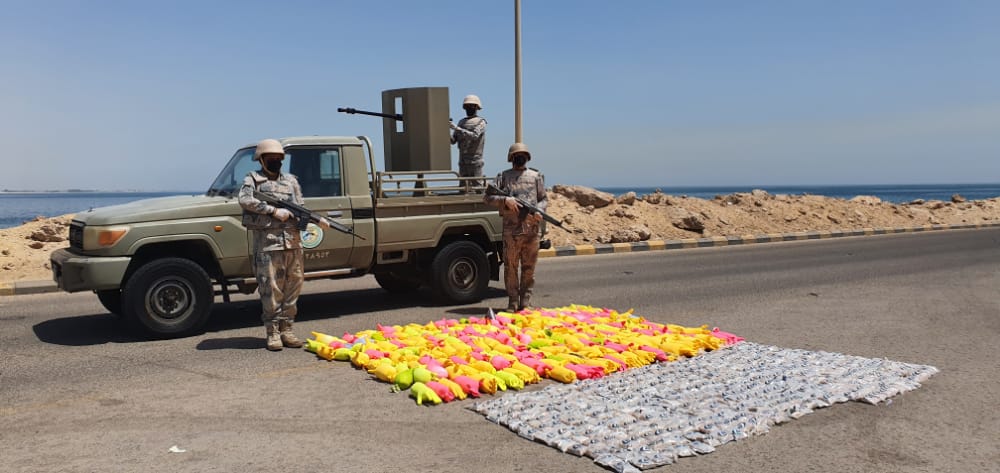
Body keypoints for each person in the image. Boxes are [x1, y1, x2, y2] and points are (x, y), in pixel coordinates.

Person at [238, 138, 327, 351]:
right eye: (271, 159)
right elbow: (244, 199)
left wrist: (316, 220)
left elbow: (301, 207)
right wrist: (273, 210)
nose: (276, 161)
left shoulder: (291, 181)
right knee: (271, 290)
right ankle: (273, 332)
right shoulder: (253, 180)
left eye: (279, 159)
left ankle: (287, 329)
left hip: (293, 244)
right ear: (261, 160)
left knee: (293, 288)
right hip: (269, 246)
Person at [484, 142, 547, 312]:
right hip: (511, 232)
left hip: (531, 230)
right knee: (510, 267)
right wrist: (505, 200)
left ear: (527, 157)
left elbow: (543, 198)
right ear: (511, 158)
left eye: (523, 155)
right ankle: (512, 302)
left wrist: (540, 211)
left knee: (529, 268)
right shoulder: (503, 177)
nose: (520, 158)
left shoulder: (535, 176)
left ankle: (525, 302)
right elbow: (487, 197)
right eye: (517, 155)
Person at [450, 94, 487, 189]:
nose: (468, 109)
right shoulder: (461, 122)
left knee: (478, 188)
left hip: (475, 161)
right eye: (466, 107)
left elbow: (474, 136)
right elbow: (453, 140)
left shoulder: (481, 122)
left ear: (476, 107)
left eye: (471, 106)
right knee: (463, 188)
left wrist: (456, 128)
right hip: (463, 161)